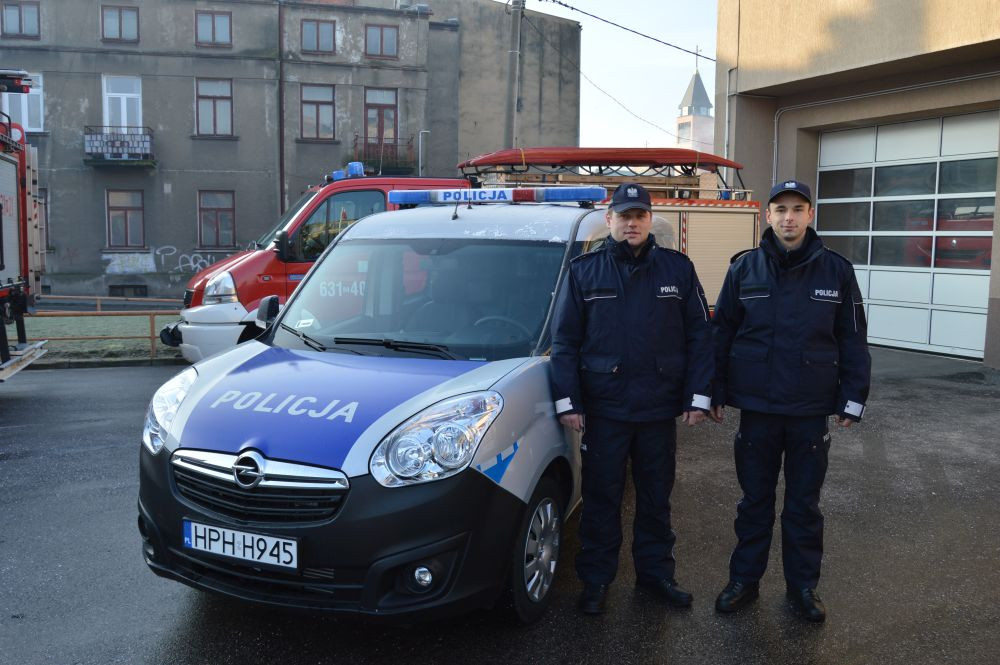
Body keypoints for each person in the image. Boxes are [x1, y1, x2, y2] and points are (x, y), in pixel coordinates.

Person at [710, 179, 871, 623]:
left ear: (810, 215)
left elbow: (853, 338)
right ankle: (745, 580)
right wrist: (714, 391)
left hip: (808, 411)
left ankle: (803, 587)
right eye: (780, 209)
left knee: (803, 504)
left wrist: (853, 398)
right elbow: (721, 333)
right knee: (754, 501)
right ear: (767, 215)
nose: (789, 217)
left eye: (798, 209)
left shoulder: (836, 271)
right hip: (758, 409)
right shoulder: (744, 269)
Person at [550, 182, 714, 615]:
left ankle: (656, 575)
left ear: (649, 220)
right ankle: (596, 580)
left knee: (656, 498)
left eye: (639, 216)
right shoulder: (584, 272)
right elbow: (565, 342)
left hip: (658, 408)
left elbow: (700, 335)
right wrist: (568, 402)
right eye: (623, 216)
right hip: (606, 410)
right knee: (602, 499)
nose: (631, 224)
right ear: (610, 221)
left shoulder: (678, 270)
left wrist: (698, 396)